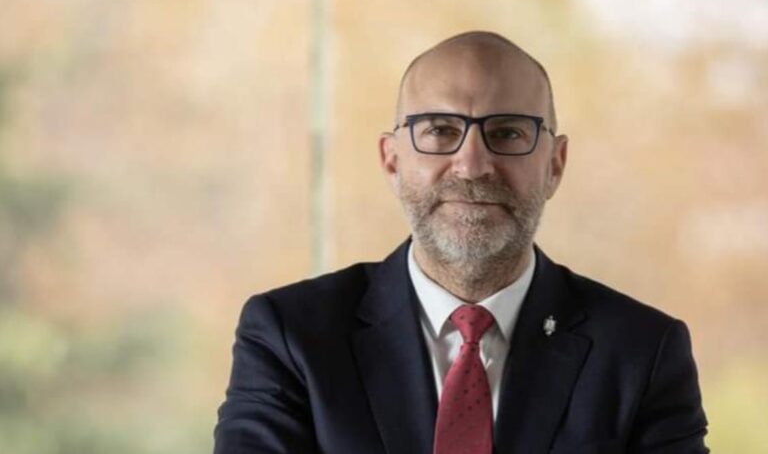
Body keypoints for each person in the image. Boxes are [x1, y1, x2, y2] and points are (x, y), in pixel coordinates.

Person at [213, 31, 708, 454]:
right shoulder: (290, 337)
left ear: (555, 165)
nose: (472, 166)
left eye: (508, 133)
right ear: (392, 160)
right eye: (440, 130)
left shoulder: (642, 351)